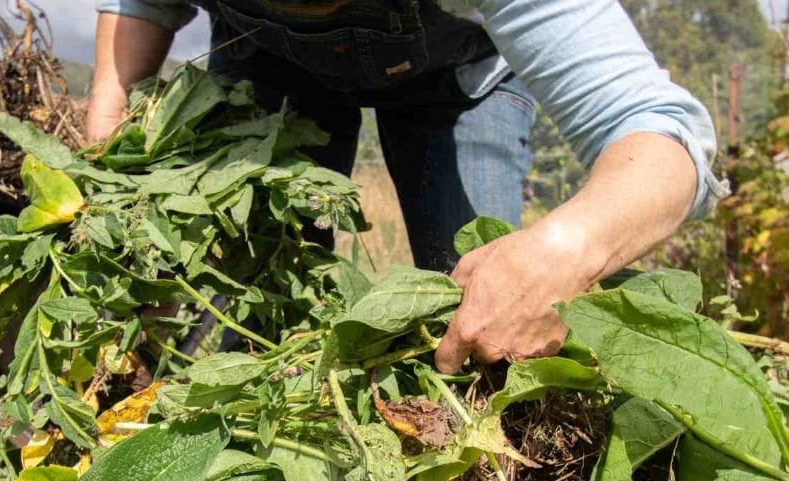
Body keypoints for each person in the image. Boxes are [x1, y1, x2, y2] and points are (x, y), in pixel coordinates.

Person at [86, 0, 724, 374]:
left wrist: (565, 249)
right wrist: (108, 139)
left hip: (456, 76)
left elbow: (665, 136)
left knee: (482, 330)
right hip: (270, 66)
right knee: (254, 313)